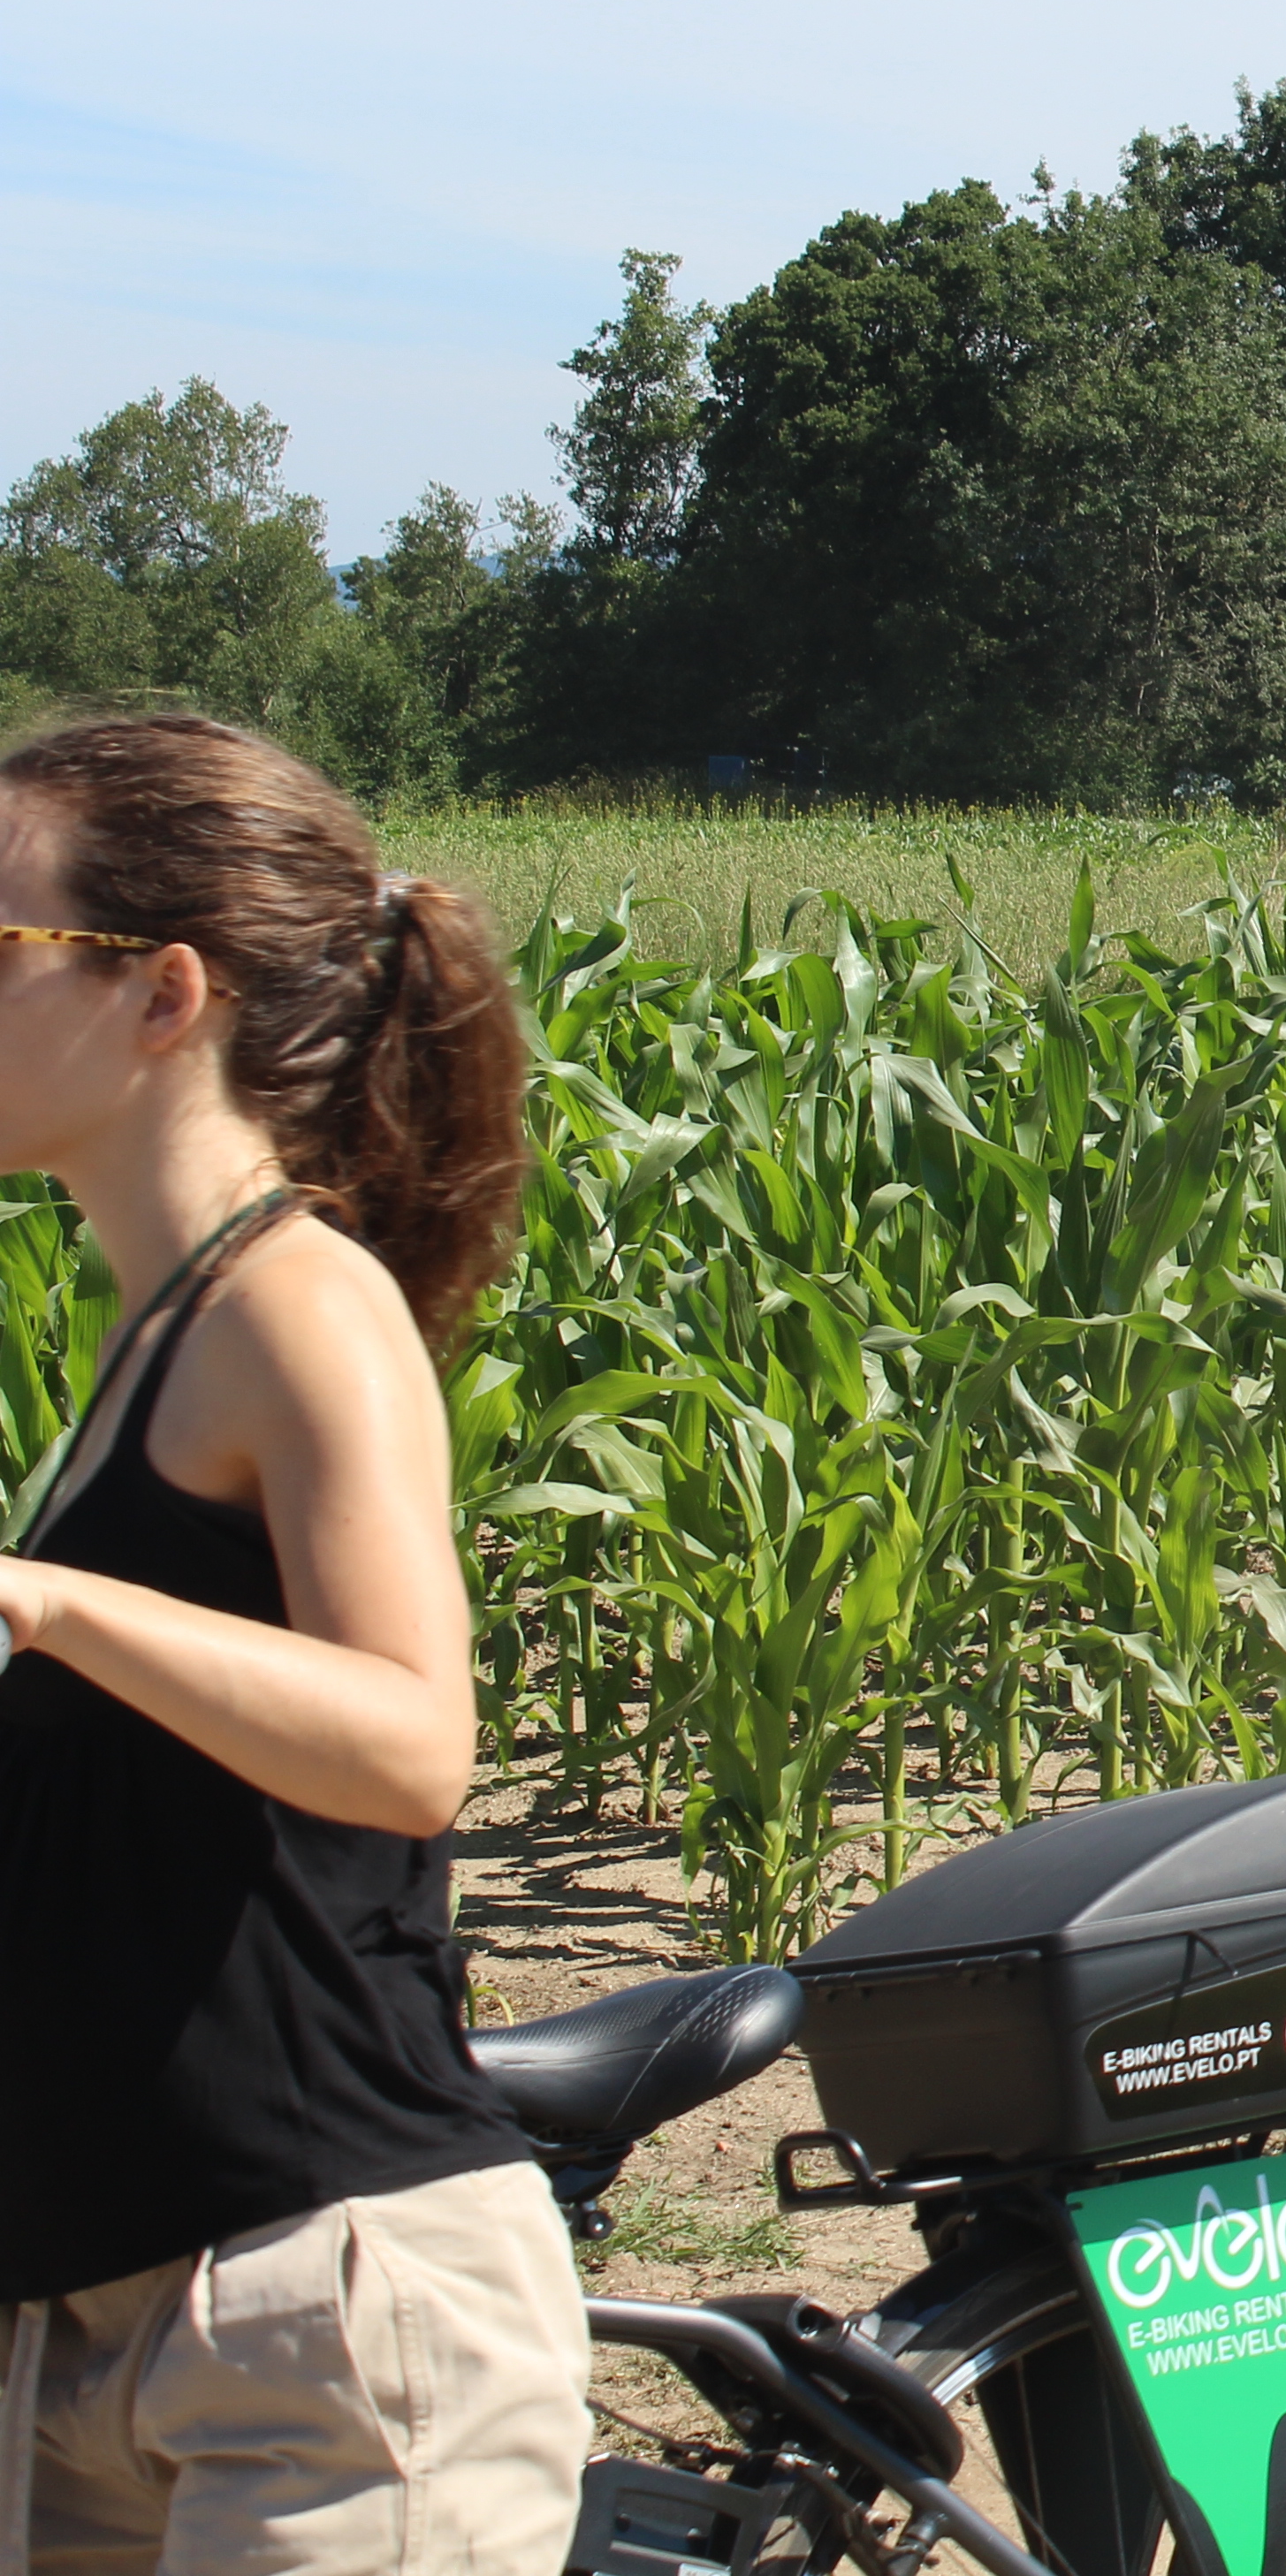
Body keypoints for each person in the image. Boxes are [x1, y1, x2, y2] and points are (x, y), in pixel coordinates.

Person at [0, 715, 581, 2575]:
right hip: (106, 2316)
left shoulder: (300, 1307)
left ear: (162, 992)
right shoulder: (156, 1326)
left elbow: (414, 1743)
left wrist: (40, 1601)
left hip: (320, 2323)